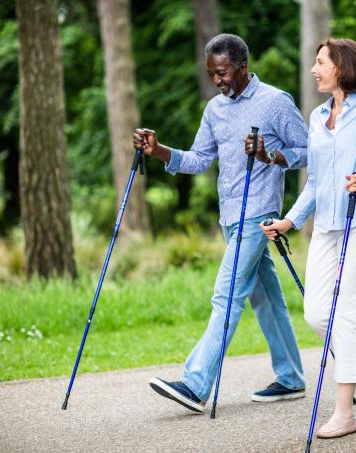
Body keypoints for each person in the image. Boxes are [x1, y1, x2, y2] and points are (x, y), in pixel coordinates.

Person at [133, 33, 307, 413]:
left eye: (223, 72)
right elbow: (199, 159)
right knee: (266, 300)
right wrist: (159, 150)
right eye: (212, 73)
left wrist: (271, 155)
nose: (217, 80)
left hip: (259, 213)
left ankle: (196, 384)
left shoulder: (275, 102)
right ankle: (292, 377)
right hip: (229, 215)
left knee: (225, 295)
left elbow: (309, 151)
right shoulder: (215, 108)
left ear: (243, 66)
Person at [261, 38, 356, 438]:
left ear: (341, 65)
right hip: (325, 227)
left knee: (344, 316)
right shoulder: (318, 116)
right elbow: (316, 182)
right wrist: (289, 220)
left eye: (320, 62)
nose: (314, 69)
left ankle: (345, 411)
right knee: (317, 314)